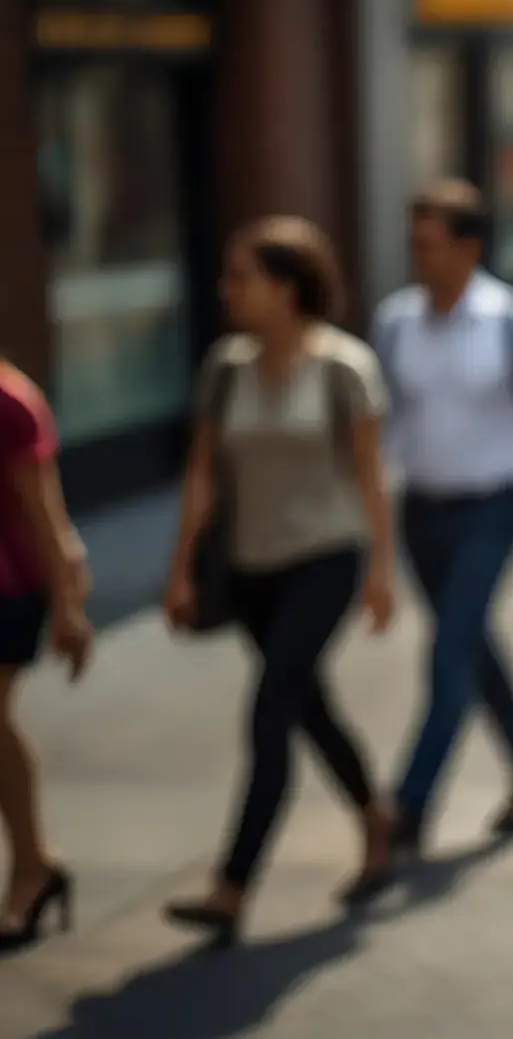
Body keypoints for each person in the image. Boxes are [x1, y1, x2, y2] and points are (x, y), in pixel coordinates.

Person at [161, 216, 398, 942]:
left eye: (242, 277)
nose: (226, 289)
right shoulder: (225, 367)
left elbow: (368, 475)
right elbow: (203, 476)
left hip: (325, 557)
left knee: (270, 713)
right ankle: (376, 817)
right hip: (250, 566)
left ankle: (232, 886)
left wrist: (382, 571)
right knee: (308, 706)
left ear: (288, 288)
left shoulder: (344, 367)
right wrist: (180, 568)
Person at [372, 180, 513, 858]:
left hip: (492, 509)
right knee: (469, 644)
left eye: (431, 245)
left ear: (469, 246)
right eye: (413, 245)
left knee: (446, 653)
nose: (419, 258)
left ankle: (406, 805)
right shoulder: (397, 322)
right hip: (421, 512)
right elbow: (383, 426)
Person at [0, 360, 92, 953]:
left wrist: (68, 606)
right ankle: (36, 863)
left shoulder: (10, 401)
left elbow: (45, 510)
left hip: (9, 588)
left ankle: (33, 867)